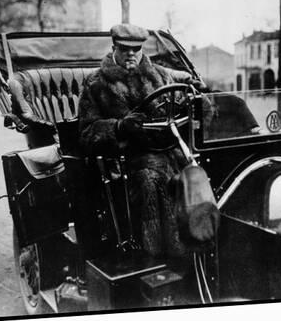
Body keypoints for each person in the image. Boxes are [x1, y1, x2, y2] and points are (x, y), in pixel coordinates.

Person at [78, 24, 217, 258]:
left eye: (136, 48)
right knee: (151, 179)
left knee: (200, 173)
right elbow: (87, 134)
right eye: (124, 49)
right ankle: (158, 257)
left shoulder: (162, 76)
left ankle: (204, 249)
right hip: (126, 159)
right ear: (114, 48)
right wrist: (119, 127)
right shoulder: (96, 84)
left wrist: (198, 103)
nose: (131, 54)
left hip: (172, 150)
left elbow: (192, 110)